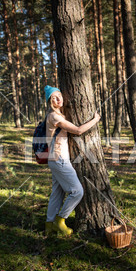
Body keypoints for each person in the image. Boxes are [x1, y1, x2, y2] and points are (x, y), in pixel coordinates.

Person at [44, 85, 101, 236]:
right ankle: (60, 220)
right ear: (50, 101)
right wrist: (95, 119)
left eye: (59, 95)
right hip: (59, 159)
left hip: (54, 159)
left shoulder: (56, 115)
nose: (58, 99)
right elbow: (78, 130)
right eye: (54, 98)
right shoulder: (54, 116)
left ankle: (49, 226)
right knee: (77, 191)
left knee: (57, 193)